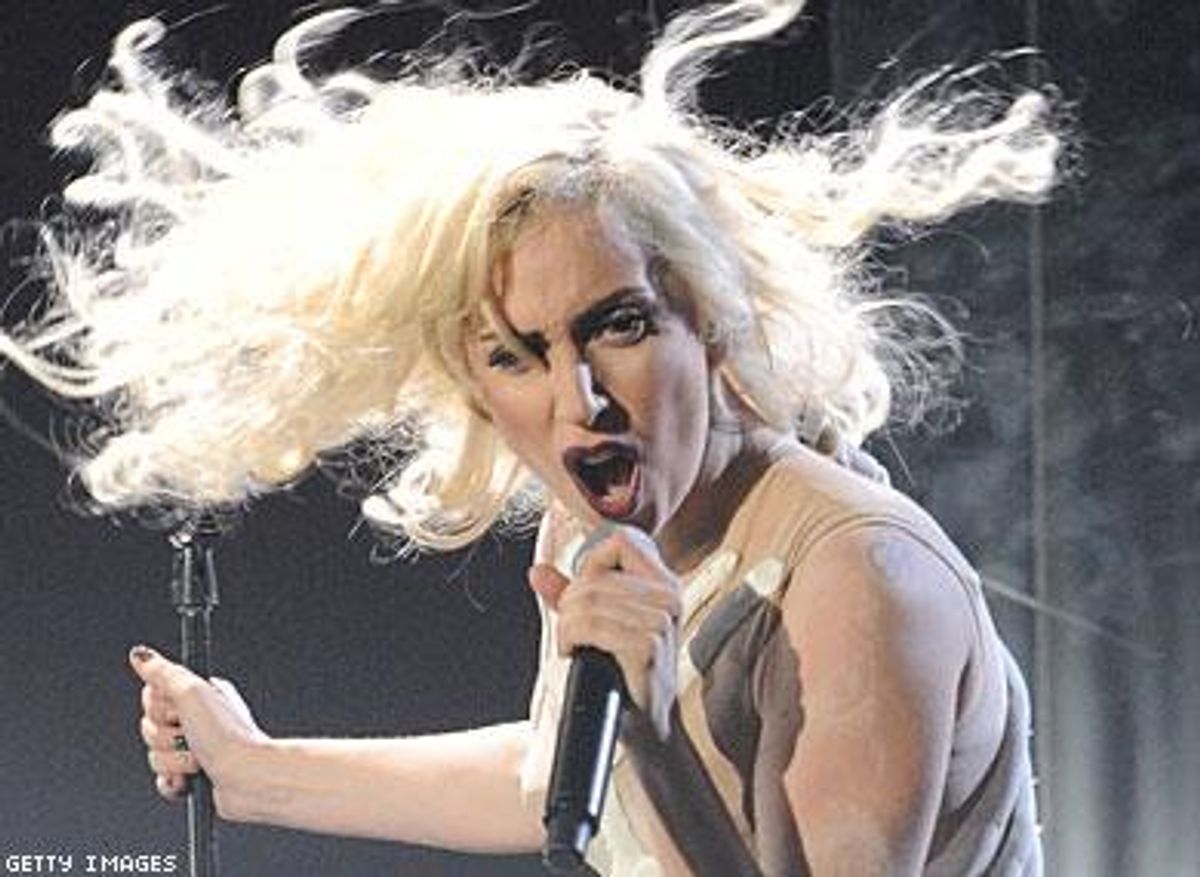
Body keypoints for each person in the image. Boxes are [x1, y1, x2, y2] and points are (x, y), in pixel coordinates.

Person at [2, 1, 1059, 873]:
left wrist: (649, 739)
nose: (578, 400)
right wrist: (259, 771)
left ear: (710, 314)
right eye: (516, 355)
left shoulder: (858, 577)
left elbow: (653, 771)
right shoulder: (589, 526)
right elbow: (560, 778)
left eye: (619, 325)